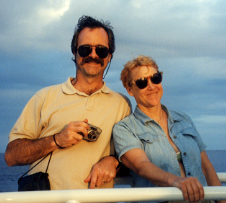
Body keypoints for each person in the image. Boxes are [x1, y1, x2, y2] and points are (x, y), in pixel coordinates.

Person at [4, 15, 131, 190]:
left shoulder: (122, 104)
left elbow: (132, 156)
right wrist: (56, 140)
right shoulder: (45, 97)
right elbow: (11, 156)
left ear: (109, 56)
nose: (93, 55)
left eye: (100, 50)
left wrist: (113, 161)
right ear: (75, 52)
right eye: (85, 49)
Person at [113, 55, 225, 203]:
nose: (151, 86)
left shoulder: (184, 119)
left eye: (155, 78)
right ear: (130, 90)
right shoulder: (124, 128)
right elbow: (141, 165)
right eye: (142, 82)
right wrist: (176, 181)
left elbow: (207, 168)